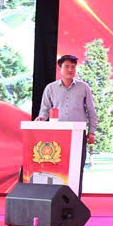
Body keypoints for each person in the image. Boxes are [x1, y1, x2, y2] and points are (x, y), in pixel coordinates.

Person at [37, 54, 98, 188]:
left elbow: (91, 111)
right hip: (56, 134)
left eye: (73, 67)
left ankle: (75, 196)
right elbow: (44, 110)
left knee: (77, 167)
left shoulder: (84, 87)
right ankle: (57, 196)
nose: (70, 70)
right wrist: (41, 118)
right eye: (67, 66)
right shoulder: (50, 88)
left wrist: (92, 132)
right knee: (56, 168)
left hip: (78, 134)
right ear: (60, 68)